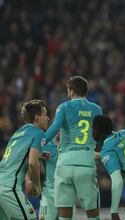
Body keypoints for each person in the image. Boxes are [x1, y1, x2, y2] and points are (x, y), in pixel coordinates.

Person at [45, 76, 103, 220]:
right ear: (86, 91)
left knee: (65, 215)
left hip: (65, 164)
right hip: (86, 163)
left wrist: (38, 143)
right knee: (93, 214)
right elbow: (101, 136)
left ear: (71, 91)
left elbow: (53, 129)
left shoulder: (64, 107)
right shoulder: (96, 109)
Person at [0, 99, 49, 220]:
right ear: (37, 118)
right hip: (9, 187)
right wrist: (37, 185)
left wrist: (38, 155)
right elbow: (32, 163)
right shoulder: (38, 133)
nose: (48, 118)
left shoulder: (17, 133)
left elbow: (17, 157)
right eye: (45, 115)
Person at [39, 132, 76, 220]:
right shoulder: (46, 145)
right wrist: (40, 156)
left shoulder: (71, 146)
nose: (60, 132)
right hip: (49, 192)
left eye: (62, 129)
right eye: (57, 129)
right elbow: (31, 156)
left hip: (67, 193)